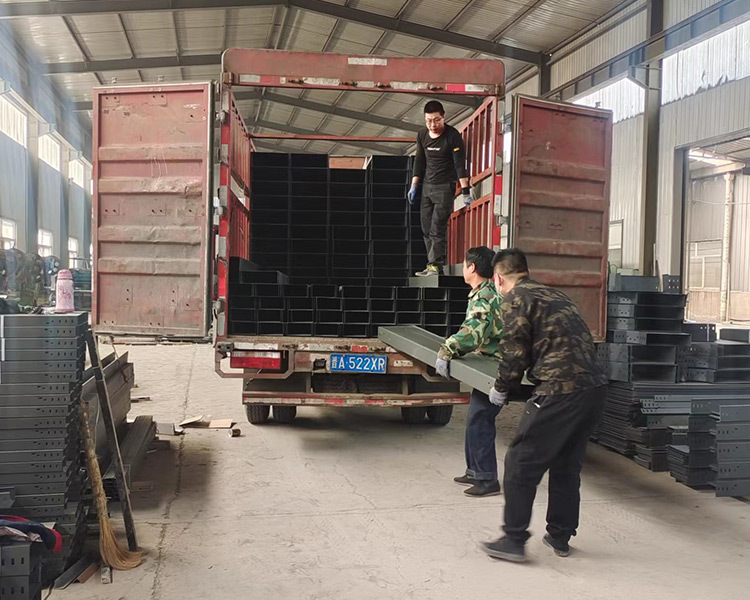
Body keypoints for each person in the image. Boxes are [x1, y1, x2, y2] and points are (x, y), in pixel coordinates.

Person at [480, 248, 607, 563]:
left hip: (559, 389)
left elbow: (514, 352)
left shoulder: (515, 298)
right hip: (593, 388)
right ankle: (560, 536)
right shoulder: (555, 295)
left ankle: (513, 539)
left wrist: (501, 388)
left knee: (520, 461)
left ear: (498, 278)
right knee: (566, 463)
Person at [434, 246, 503, 497]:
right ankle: (475, 471)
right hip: (489, 363)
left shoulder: (485, 296)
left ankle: (487, 478)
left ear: (472, 267)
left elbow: (473, 332)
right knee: (475, 417)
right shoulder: (484, 292)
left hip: (496, 367)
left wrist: (448, 349)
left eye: (464, 264)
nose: (463, 268)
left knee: (480, 419)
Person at [408, 101, 472, 277]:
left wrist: (465, 191)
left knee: (437, 227)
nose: (433, 125)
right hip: (427, 186)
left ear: (444, 117)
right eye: (428, 121)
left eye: (436, 120)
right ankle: (430, 265)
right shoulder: (422, 135)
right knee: (426, 227)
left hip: (445, 187)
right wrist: (414, 185)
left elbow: (460, 165)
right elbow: (419, 161)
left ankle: (436, 265)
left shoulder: (452, 136)